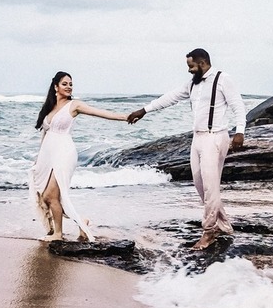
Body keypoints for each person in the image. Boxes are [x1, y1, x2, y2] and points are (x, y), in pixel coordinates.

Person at [127, 48, 246, 250]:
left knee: (210, 187)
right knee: (201, 186)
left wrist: (240, 132)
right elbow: (170, 98)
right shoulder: (193, 84)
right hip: (197, 138)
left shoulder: (223, 79)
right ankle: (223, 225)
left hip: (215, 137)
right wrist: (144, 110)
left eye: (191, 66)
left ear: (202, 62)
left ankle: (209, 232)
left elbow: (238, 106)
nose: (189, 70)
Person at [31, 72, 127, 241]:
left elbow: (100, 113)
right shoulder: (49, 108)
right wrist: (39, 158)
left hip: (64, 152)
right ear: (55, 87)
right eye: (64, 84)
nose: (69, 87)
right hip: (48, 154)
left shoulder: (74, 105)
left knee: (51, 195)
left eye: (70, 84)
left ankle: (58, 234)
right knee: (47, 196)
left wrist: (125, 117)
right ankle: (81, 222)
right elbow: (45, 136)